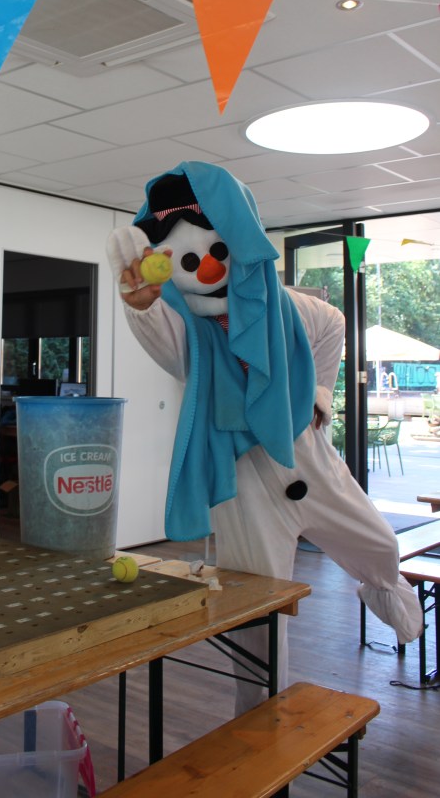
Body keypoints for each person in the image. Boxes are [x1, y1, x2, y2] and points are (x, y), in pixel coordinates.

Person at [107, 161, 422, 713]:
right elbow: (165, 344)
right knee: (256, 604)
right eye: (189, 261)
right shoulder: (189, 329)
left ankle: (394, 606)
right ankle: (255, 709)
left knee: (380, 544)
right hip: (243, 483)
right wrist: (145, 306)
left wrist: (318, 395)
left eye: (217, 251)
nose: (207, 267)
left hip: (310, 460)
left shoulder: (288, 308)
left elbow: (333, 324)